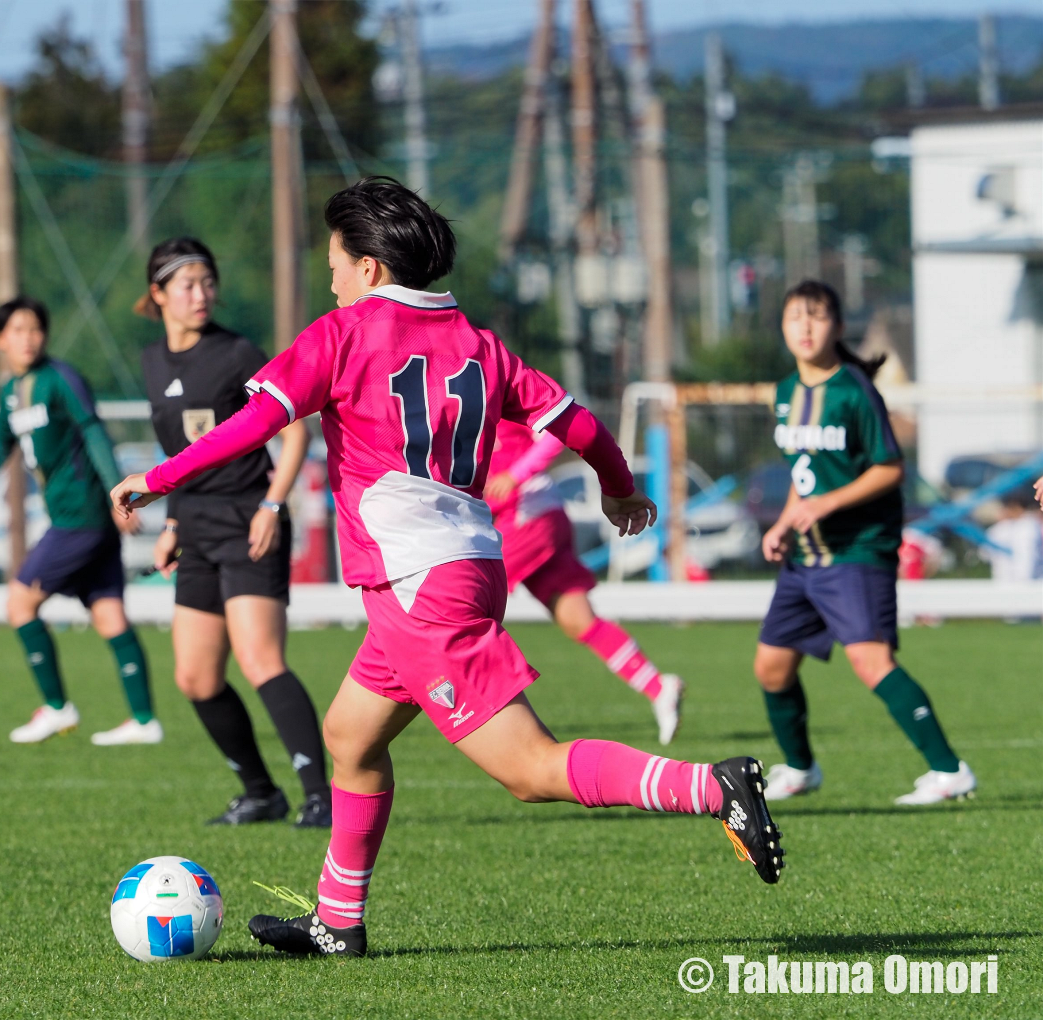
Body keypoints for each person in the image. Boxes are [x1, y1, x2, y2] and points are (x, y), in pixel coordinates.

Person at [112, 178, 785, 958]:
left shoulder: (342, 334)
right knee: (351, 736)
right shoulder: (478, 341)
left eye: (334, 259)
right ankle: (337, 921)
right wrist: (619, 489)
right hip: (463, 564)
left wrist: (155, 480)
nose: (328, 275)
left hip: (416, 583)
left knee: (531, 770)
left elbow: (253, 423)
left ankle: (715, 786)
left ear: (367, 267)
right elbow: (581, 424)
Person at [136, 237, 331, 828]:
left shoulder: (238, 352)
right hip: (194, 527)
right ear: (159, 295)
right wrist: (171, 522)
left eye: (207, 282)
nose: (202, 295)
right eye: (187, 285)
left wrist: (273, 506)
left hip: (250, 520)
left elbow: (295, 431)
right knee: (194, 677)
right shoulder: (150, 362)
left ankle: (320, 796)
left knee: (260, 659)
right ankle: (260, 793)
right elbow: (182, 453)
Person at [754, 280, 974, 806]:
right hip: (806, 558)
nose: (805, 327)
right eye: (794, 318)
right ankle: (802, 769)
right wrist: (784, 523)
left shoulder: (855, 390)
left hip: (857, 552)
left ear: (838, 325)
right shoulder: (785, 393)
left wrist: (825, 505)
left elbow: (890, 468)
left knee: (872, 662)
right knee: (771, 666)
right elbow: (802, 476)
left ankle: (950, 771)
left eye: (817, 316)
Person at [0, 296, 159, 745]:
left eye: (34, 329)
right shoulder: (12, 393)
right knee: (109, 614)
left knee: (19, 603)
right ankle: (144, 720)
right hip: (74, 518)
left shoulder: (61, 379)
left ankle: (56, 708)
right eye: (17, 330)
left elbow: (93, 430)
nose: (27, 338)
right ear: (0, 340)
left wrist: (118, 492)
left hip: (81, 517)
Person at [485, 420, 685, 744]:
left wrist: (515, 475)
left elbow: (554, 433)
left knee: (462, 607)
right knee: (578, 620)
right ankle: (658, 687)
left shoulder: (497, 383)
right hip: (536, 518)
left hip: (527, 515)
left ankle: (476, 707)